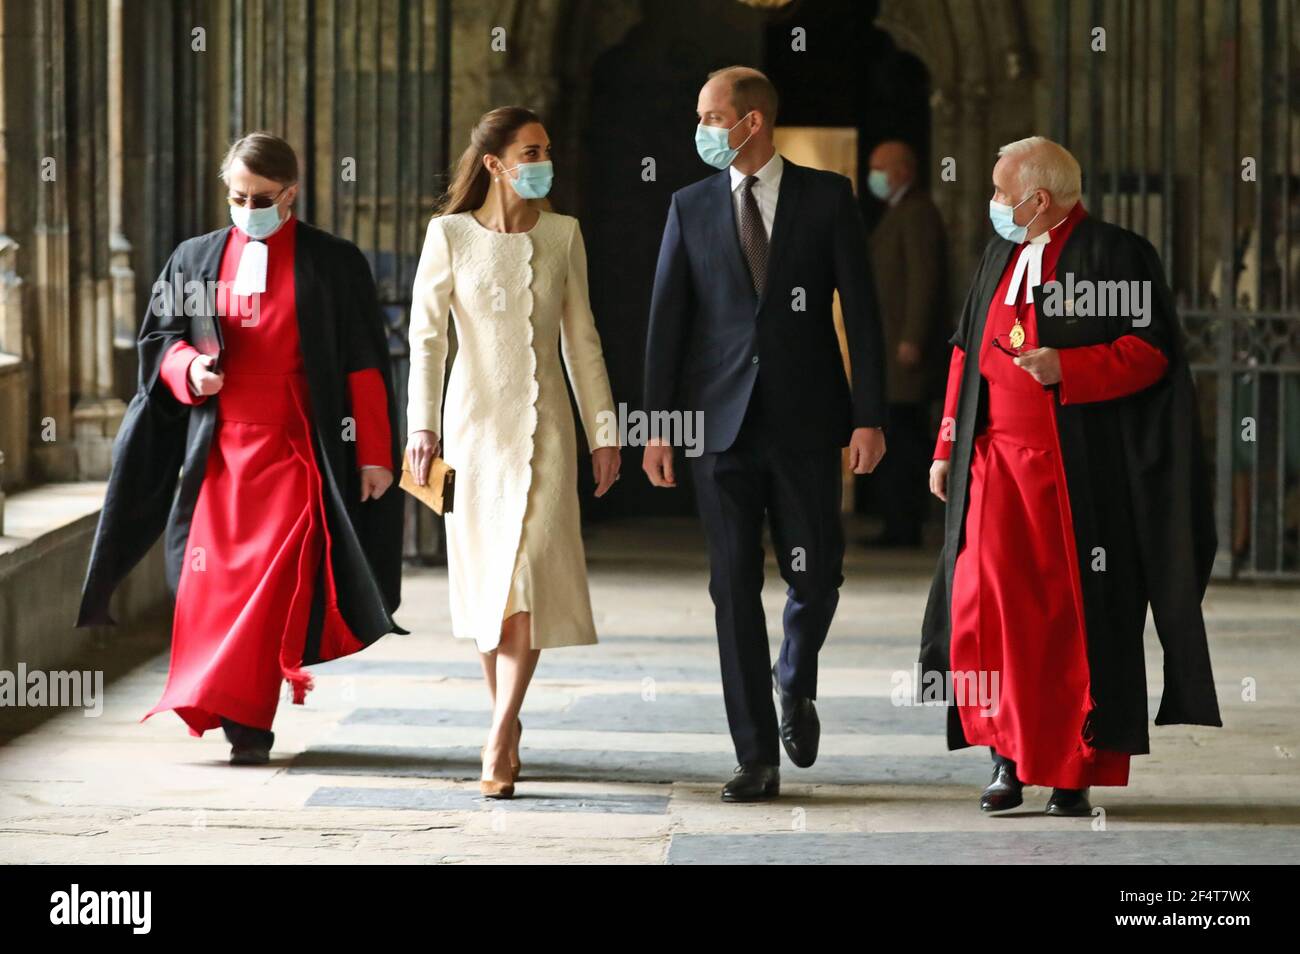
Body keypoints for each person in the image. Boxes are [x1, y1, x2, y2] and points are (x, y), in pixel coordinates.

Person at [77, 132, 405, 765]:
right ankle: (233, 705)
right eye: (237, 195)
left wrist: (373, 453)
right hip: (219, 452)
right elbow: (160, 343)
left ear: (291, 194)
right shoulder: (194, 260)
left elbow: (365, 362)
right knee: (211, 587)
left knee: (270, 587)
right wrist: (190, 371)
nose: (248, 205)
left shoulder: (334, 262)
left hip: (297, 449)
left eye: (261, 196)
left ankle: (248, 721)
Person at [920, 136, 1221, 816]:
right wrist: (946, 444)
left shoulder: (1114, 255)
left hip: (1071, 477)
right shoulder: (999, 251)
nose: (993, 204)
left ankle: (1069, 768)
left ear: (1040, 199)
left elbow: (1150, 354)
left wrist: (1070, 369)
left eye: (1001, 193)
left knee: (1065, 622)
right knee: (988, 611)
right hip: (992, 466)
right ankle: (1004, 757)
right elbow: (966, 352)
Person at [642, 66, 887, 802]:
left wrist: (869, 415)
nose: (701, 129)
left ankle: (794, 677)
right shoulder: (687, 206)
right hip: (718, 430)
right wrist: (655, 426)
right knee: (732, 588)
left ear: (752, 122)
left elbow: (865, 312)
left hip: (808, 423)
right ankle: (756, 756)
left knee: (818, 574)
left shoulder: (827, 197)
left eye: (712, 116)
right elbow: (667, 325)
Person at [406, 106, 620, 800]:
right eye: (531, 151)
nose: (543, 161)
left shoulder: (564, 236)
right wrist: (421, 427)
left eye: (547, 150)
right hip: (472, 431)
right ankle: (508, 717)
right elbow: (427, 340)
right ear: (495, 163)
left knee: (526, 572)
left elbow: (581, 340)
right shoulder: (449, 236)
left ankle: (499, 731)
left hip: (549, 431)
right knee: (488, 584)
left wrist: (604, 432)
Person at [864, 140, 949, 547]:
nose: (874, 176)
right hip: (892, 348)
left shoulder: (916, 213)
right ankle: (896, 522)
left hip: (904, 352)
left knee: (904, 439)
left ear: (901, 170)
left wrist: (912, 337)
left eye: (880, 168)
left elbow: (923, 279)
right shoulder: (899, 211)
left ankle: (904, 525)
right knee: (898, 434)